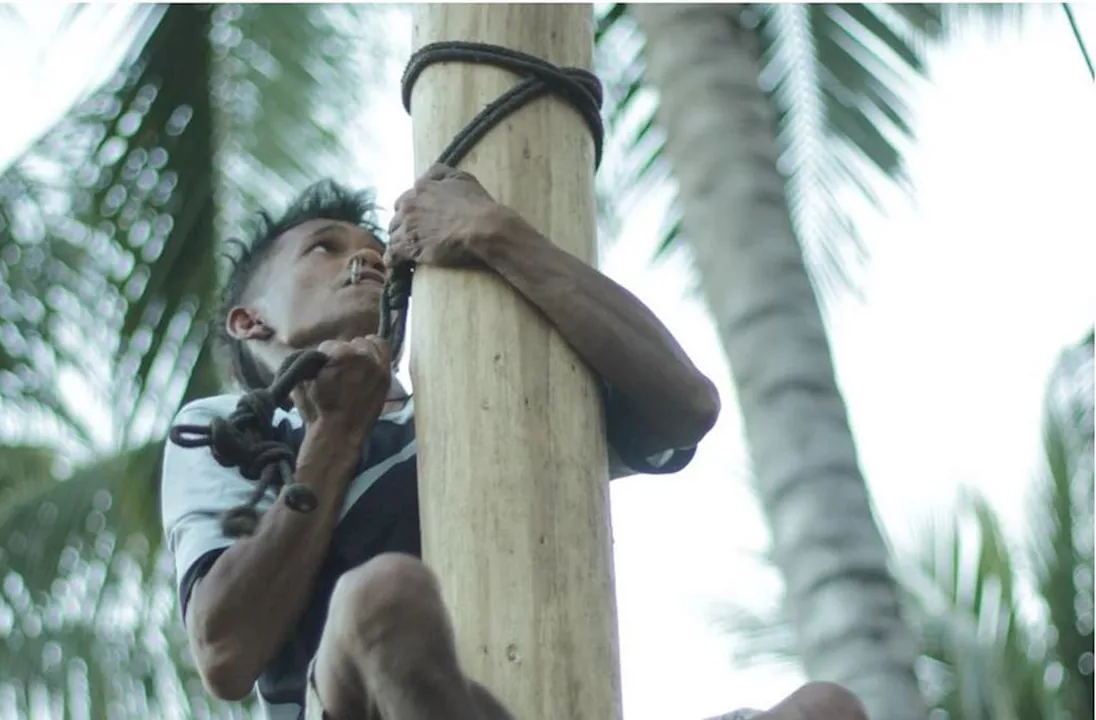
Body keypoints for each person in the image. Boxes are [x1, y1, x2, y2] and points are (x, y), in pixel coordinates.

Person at [161, 165, 867, 720]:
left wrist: (495, 232)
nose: (365, 260)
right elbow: (225, 651)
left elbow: (686, 405)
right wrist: (334, 439)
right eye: (326, 247)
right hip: (350, 698)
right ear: (249, 322)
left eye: (376, 250)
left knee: (826, 710)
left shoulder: (479, 394)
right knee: (385, 603)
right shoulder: (229, 430)